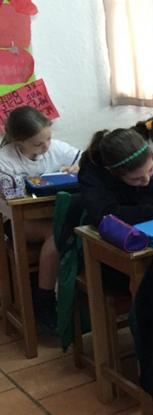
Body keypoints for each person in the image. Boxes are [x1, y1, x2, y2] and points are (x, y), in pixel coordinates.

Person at [0, 106, 81, 331]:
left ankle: (73, 298)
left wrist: (76, 167)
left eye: (48, 139)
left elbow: (85, 160)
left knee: (72, 227)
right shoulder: (5, 159)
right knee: (55, 234)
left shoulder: (54, 148)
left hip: (52, 215)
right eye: (37, 144)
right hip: (15, 222)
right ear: (18, 142)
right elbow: (8, 197)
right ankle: (43, 300)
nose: (46, 147)